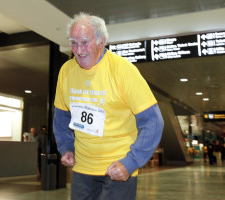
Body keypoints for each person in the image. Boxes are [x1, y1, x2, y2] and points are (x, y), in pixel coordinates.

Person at [53, 12, 164, 200]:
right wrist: (66, 148)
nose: (79, 51)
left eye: (85, 42)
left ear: (102, 41)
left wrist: (130, 163)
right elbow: (61, 119)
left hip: (118, 169)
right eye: (73, 43)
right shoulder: (66, 71)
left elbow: (153, 123)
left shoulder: (123, 70)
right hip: (82, 169)